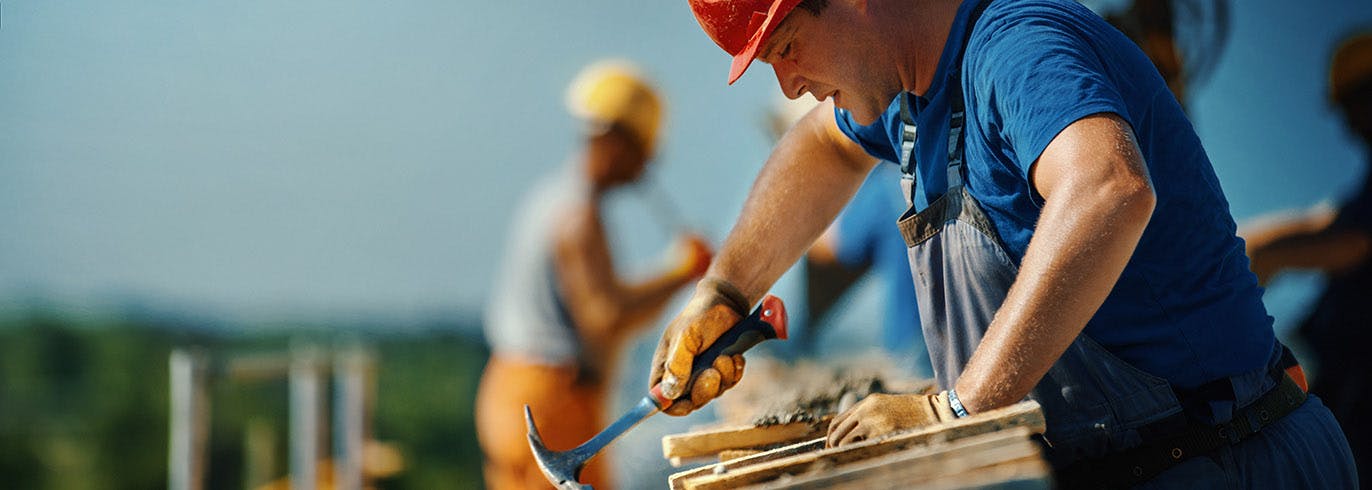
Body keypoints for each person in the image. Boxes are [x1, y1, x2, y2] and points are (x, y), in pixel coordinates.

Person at [648, 0, 1357, 487]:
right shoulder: (911, 99)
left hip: (1227, 459)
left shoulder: (1015, 48)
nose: (788, 84)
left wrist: (955, 409)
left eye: (786, 47)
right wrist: (725, 288)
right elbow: (823, 149)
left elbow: (1108, 189)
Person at [475, 60, 711, 489]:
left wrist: (676, 272)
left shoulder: (550, 198)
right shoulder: (579, 217)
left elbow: (607, 300)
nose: (645, 166)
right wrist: (681, 272)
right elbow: (605, 316)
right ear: (618, 141)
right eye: (643, 152)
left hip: (508, 389)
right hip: (552, 399)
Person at [1243, 30, 1372, 487]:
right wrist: (1241, 245)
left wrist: (1249, 262)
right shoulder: (1361, 193)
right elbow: (1323, 222)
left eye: (1354, 104)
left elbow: (1349, 242)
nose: (1348, 123)